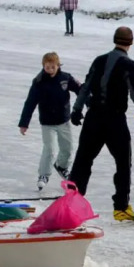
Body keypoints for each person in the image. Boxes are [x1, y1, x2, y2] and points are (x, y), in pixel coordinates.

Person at [69, 26, 134, 222]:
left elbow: (86, 87)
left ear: (114, 40)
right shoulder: (128, 64)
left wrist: (77, 110)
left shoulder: (99, 60)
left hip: (93, 117)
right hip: (115, 120)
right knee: (123, 163)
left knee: (83, 160)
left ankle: (71, 202)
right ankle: (121, 207)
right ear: (131, 42)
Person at [19, 52, 82, 192]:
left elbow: (80, 89)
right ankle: (43, 174)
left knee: (67, 148)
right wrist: (24, 123)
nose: (50, 70)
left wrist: (88, 101)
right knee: (50, 149)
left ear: (58, 65)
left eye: (53, 67)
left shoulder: (66, 78)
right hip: (47, 123)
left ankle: (62, 166)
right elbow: (30, 103)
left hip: (63, 121)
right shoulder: (39, 82)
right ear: (43, 66)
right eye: (47, 67)